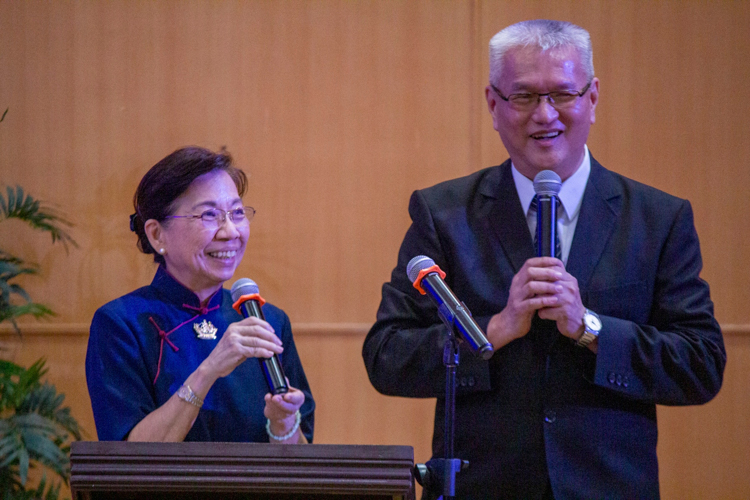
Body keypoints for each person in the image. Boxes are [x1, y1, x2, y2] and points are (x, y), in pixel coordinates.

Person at [362, 19, 725, 499]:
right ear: (493, 104)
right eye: (524, 97)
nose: (545, 115)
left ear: (593, 98)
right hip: (482, 487)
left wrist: (589, 327)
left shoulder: (658, 219)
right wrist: (495, 329)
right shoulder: (445, 214)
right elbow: (386, 356)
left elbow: (700, 365)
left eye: (563, 95)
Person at [86, 146, 314, 444]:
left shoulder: (268, 320)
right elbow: (133, 459)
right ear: (157, 234)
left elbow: (302, 465)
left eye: (236, 213)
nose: (231, 231)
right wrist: (209, 370)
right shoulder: (121, 324)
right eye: (209, 215)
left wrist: (283, 425)